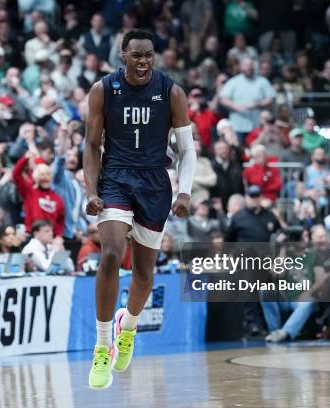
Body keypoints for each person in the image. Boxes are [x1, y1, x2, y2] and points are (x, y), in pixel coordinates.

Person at [83, 29, 195, 389]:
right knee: (112, 253)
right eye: (136, 55)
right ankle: (102, 347)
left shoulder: (170, 91)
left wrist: (185, 193)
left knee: (145, 274)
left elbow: (187, 151)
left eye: (148, 55)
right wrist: (91, 190)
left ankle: (126, 327)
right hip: (115, 178)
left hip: (154, 183)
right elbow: (90, 145)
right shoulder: (104, 89)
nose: (143, 61)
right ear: (123, 55)